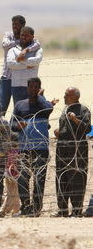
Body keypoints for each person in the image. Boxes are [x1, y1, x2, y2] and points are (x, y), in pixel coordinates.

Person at [11, 77, 53, 217]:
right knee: (23, 178)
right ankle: (26, 206)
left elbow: (49, 108)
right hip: (24, 148)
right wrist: (18, 126)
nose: (33, 89)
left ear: (39, 88)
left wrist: (40, 96)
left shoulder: (43, 105)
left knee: (39, 178)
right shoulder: (20, 105)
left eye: (36, 87)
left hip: (41, 148)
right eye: (31, 87)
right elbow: (12, 125)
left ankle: (36, 208)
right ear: (27, 88)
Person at [54, 87, 91, 217]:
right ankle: (62, 210)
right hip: (62, 149)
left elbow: (87, 128)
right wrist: (58, 131)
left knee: (77, 179)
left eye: (66, 95)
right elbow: (66, 128)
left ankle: (76, 211)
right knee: (61, 178)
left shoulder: (83, 110)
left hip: (77, 150)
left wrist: (75, 119)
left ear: (75, 97)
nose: (64, 97)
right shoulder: (65, 110)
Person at [0, 15, 41, 114]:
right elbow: (5, 45)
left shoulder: (30, 40)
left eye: (17, 24)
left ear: (23, 25)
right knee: (2, 106)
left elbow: (38, 44)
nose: (14, 26)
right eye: (13, 24)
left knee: (21, 107)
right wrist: (20, 42)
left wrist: (26, 49)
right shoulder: (8, 35)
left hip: (22, 80)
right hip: (7, 76)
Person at [6, 26, 43, 107]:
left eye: (26, 35)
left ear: (32, 37)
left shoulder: (38, 49)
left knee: (32, 110)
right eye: (22, 35)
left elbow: (36, 61)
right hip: (17, 86)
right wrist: (27, 66)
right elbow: (10, 64)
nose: (23, 37)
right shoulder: (13, 50)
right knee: (19, 110)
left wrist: (20, 60)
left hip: (32, 87)